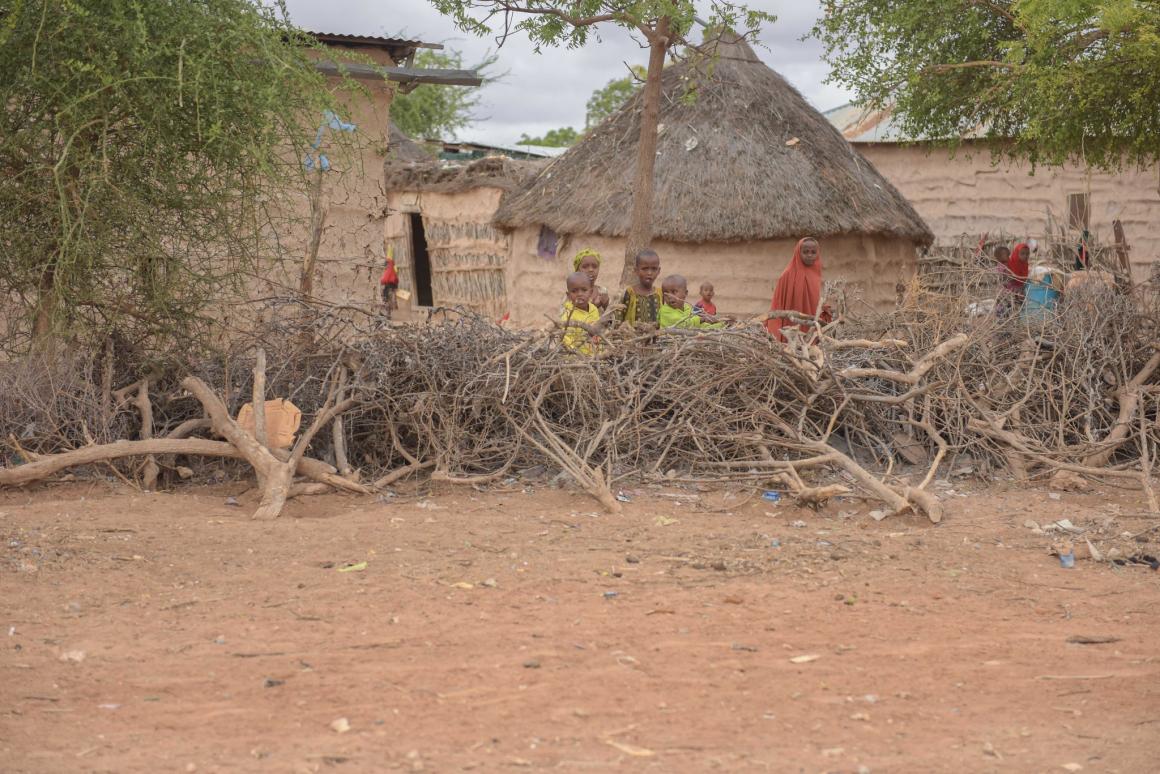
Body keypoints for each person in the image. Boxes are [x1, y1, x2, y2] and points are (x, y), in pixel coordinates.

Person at [765, 237, 830, 342]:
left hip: (811, 321)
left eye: (813, 252)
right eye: (805, 252)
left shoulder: (815, 272)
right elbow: (778, 303)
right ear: (798, 253)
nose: (809, 255)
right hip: (791, 323)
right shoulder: (788, 274)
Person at [658, 275, 724, 330]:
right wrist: (701, 319)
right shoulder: (665, 311)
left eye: (674, 292)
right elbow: (683, 325)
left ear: (685, 293)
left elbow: (699, 326)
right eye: (666, 294)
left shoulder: (688, 308)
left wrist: (720, 324)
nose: (669, 296)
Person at [618, 249, 663, 326]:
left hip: (656, 333)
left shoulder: (660, 294)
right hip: (631, 333)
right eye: (645, 269)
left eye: (654, 269)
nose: (649, 273)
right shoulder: (629, 293)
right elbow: (619, 316)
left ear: (658, 271)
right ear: (636, 270)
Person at [560, 272, 602, 355]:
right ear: (568, 295)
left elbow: (598, 331)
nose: (579, 294)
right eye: (574, 291)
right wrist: (579, 357)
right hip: (579, 359)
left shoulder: (594, 309)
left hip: (597, 356)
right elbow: (567, 343)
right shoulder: (568, 316)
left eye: (584, 290)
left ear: (591, 292)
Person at [379, 247, 399, 319]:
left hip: (388, 288)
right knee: (390, 301)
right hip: (392, 288)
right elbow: (396, 279)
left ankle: (387, 315)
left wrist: (382, 283)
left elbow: (384, 280)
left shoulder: (388, 270)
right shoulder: (393, 269)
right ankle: (389, 314)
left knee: (387, 300)